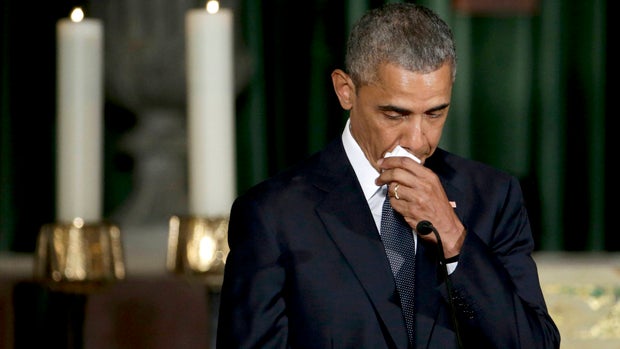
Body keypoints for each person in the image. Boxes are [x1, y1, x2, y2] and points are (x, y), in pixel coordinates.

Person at [216, 3, 560, 348]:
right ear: (345, 90)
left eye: (435, 114)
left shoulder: (493, 198)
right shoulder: (274, 215)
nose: (417, 140)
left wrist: (455, 240)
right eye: (395, 115)